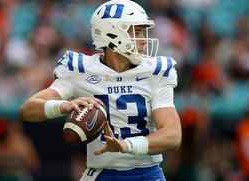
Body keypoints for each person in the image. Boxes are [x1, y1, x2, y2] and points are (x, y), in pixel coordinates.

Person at [19, 0, 182, 180]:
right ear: (112, 34)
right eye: (136, 32)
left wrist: (126, 145)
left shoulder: (155, 71)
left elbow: (172, 135)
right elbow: (27, 109)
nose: (143, 40)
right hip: (101, 173)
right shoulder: (80, 70)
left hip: (147, 173)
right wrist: (63, 106)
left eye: (143, 32)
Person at [0, 117, 40, 181]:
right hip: (2, 177)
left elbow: (34, 165)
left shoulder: (21, 143)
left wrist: (16, 161)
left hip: (20, 177)